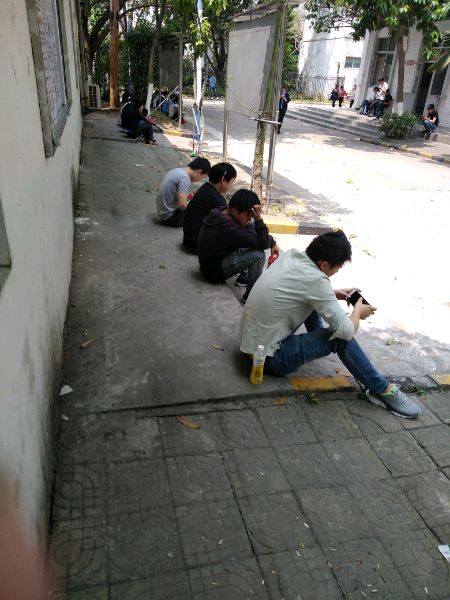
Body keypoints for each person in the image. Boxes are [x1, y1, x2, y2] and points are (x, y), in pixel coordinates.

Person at [239, 230, 421, 419]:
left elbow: (303, 289)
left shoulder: (292, 255)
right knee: (340, 338)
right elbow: (346, 332)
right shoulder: (316, 282)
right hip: (268, 359)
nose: (337, 271)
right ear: (324, 265)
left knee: (319, 308)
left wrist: (334, 293)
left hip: (251, 342)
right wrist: (358, 311)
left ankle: (317, 341)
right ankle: (382, 390)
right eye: (338, 268)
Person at [197, 189, 279, 304]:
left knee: (250, 231)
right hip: (213, 272)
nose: (249, 219)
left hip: (208, 263)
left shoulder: (221, 211)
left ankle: (244, 278)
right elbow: (263, 243)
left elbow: (251, 228)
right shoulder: (231, 229)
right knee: (258, 255)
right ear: (235, 210)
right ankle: (250, 296)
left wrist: (272, 242)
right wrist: (259, 219)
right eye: (248, 215)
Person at [182, 162, 237, 250]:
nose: (231, 185)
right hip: (196, 243)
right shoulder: (218, 200)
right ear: (223, 180)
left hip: (188, 239)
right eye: (231, 182)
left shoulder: (205, 187)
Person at [156, 157, 211, 227]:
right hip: (171, 218)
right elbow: (183, 205)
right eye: (203, 177)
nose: (201, 179)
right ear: (199, 172)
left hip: (162, 213)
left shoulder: (177, 170)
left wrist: (187, 198)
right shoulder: (185, 178)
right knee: (201, 206)